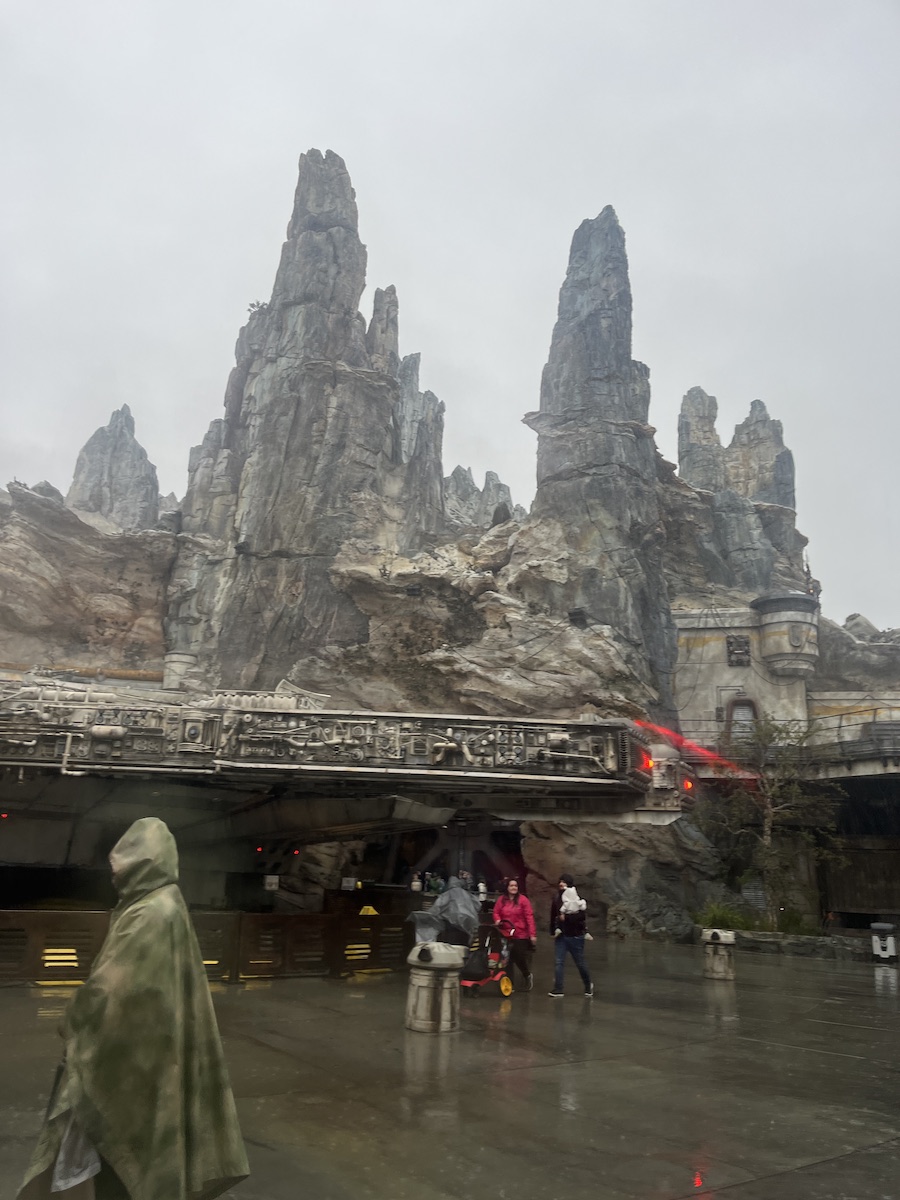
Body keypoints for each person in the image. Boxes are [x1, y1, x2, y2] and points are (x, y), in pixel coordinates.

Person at [18, 817, 249, 1199]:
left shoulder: (148, 913)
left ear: (143, 863)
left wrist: (73, 1018)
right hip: (157, 1044)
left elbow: (110, 991)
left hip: (132, 1054)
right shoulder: (168, 903)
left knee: (116, 1142)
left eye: (121, 867)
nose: (114, 876)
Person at [548, 872, 593, 998]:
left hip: (575, 935)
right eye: (560, 881)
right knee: (559, 962)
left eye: (564, 882)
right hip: (561, 935)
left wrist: (566, 918)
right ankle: (558, 988)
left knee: (580, 962)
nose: (561, 884)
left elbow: (581, 916)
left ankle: (588, 985)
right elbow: (553, 915)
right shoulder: (557, 898)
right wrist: (552, 930)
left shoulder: (576, 897)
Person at [492, 877, 536, 991]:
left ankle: (526, 974)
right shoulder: (501, 900)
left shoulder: (523, 900)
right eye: (511, 885)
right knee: (507, 958)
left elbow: (529, 917)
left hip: (520, 933)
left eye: (515, 886)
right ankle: (510, 983)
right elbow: (496, 912)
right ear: (507, 887)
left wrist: (532, 934)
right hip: (505, 933)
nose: (513, 888)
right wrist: (497, 920)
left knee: (519, 955)